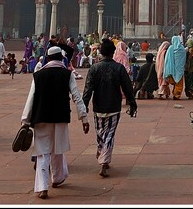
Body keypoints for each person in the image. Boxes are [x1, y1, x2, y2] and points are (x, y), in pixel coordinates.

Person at [21, 45, 90, 199]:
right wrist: (84, 117)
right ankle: (57, 178)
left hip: (41, 117)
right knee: (58, 149)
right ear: (61, 58)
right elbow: (76, 97)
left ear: (49, 58)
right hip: (60, 117)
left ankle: (43, 187)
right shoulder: (67, 74)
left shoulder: (38, 74)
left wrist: (25, 120)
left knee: (42, 152)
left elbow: (31, 98)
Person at [82, 39, 137, 178]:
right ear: (113, 52)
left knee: (100, 133)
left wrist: (84, 108)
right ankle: (104, 162)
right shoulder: (119, 68)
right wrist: (132, 102)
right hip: (113, 105)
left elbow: (88, 90)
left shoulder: (94, 68)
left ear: (101, 52)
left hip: (98, 106)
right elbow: (128, 88)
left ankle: (102, 154)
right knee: (109, 134)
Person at [163, 35, 187, 100]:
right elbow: (184, 59)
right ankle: (176, 94)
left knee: (174, 81)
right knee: (179, 82)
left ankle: (175, 93)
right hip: (180, 69)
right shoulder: (182, 49)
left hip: (172, 68)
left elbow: (168, 59)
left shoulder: (171, 48)